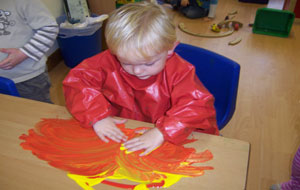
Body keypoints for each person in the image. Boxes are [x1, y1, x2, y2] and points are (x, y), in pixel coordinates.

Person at [63, 1, 219, 156]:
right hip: (126, 128)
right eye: (126, 62)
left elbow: (197, 106)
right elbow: (77, 81)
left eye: (149, 63)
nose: (137, 70)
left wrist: (162, 132)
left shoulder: (180, 72)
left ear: (170, 48)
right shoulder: (109, 60)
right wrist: (97, 117)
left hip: (167, 134)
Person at [0, 0, 59, 103]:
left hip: (27, 78)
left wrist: (24, 53)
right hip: (2, 79)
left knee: (38, 113)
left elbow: (49, 28)